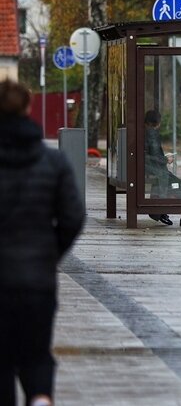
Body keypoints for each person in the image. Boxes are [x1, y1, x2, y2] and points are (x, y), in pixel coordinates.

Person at [0, 79, 85, 406]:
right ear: (27, 108)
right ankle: (40, 398)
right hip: (37, 279)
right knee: (36, 354)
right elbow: (73, 216)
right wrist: (49, 253)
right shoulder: (52, 162)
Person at [143, 109, 181, 227]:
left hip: (147, 169)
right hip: (154, 170)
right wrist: (166, 159)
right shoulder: (152, 134)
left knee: (174, 184)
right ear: (157, 122)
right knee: (179, 184)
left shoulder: (143, 132)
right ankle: (180, 216)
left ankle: (163, 213)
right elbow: (153, 156)